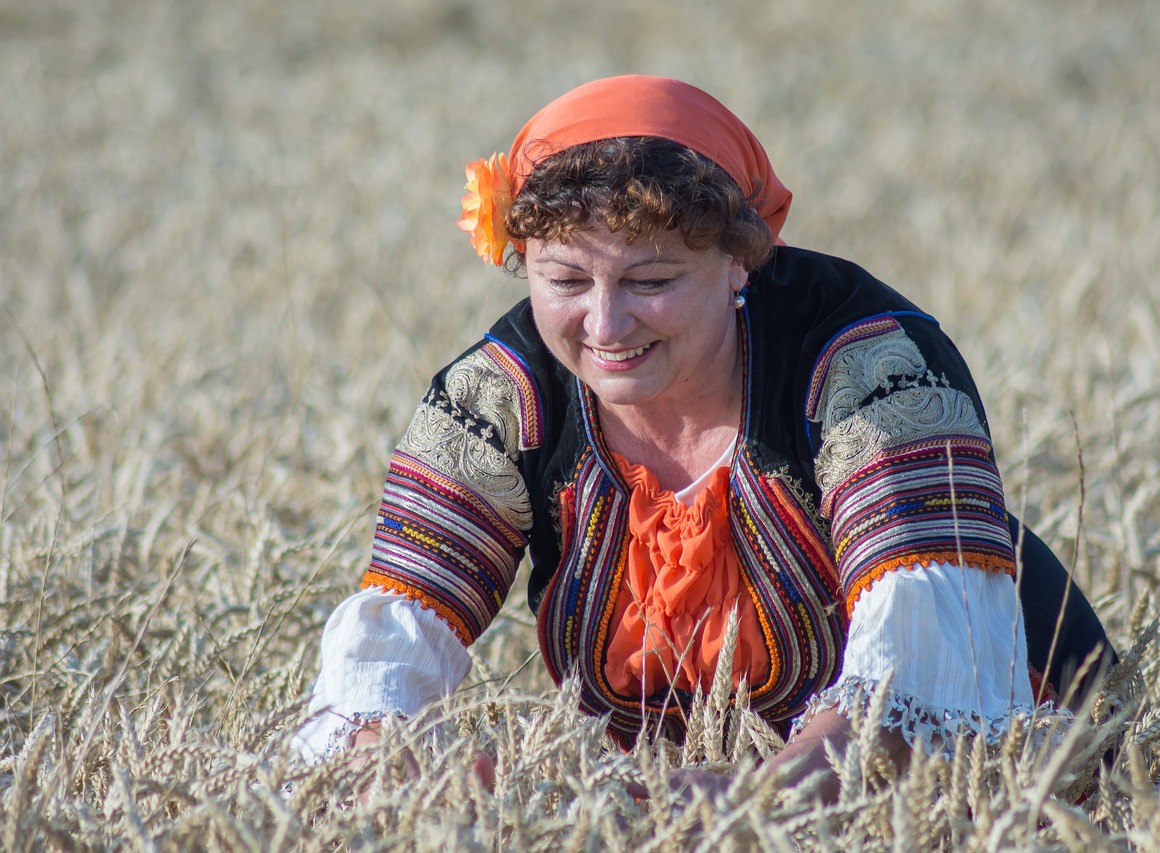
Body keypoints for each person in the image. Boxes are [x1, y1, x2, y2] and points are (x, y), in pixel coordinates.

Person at [292, 75, 1113, 797]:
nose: (606, 324)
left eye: (650, 281)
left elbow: (913, 702)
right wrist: (406, 774)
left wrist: (745, 800)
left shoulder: (871, 370)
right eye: (566, 279)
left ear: (738, 262)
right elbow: (384, 661)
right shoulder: (499, 396)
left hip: (1006, 764)